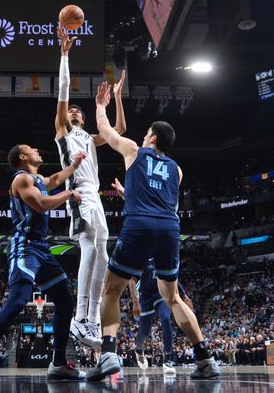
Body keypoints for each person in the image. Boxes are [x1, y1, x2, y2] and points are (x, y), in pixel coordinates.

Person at [86, 82, 220, 381]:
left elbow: (105, 131)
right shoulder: (177, 169)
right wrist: (129, 195)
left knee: (112, 289)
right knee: (173, 298)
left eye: (147, 132)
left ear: (152, 137)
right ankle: (206, 359)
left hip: (140, 225)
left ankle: (108, 354)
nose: (144, 135)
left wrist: (100, 104)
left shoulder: (135, 150)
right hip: (169, 228)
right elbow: (160, 199)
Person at [0, 144, 88, 382]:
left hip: (42, 247)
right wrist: (69, 194)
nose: (36, 149)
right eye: (31, 148)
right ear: (23, 157)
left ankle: (59, 363)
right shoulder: (21, 179)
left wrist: (74, 165)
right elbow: (42, 204)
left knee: (65, 302)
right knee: (18, 300)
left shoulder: (36, 178)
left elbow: (53, 179)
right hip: (26, 246)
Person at [55, 27, 126, 348]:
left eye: (77, 111)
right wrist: (65, 54)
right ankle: (79, 318)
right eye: (71, 111)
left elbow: (119, 130)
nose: (73, 111)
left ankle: (92, 321)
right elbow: (63, 91)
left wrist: (115, 101)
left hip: (96, 198)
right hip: (79, 195)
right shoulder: (64, 133)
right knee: (88, 249)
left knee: (102, 253)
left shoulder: (90, 138)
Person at [128, 257, 190, 376]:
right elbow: (131, 281)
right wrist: (135, 302)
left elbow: (172, 276)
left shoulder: (163, 254)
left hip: (161, 293)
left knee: (166, 319)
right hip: (145, 296)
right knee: (144, 331)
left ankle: (167, 360)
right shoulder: (141, 256)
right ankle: (138, 349)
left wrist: (184, 295)